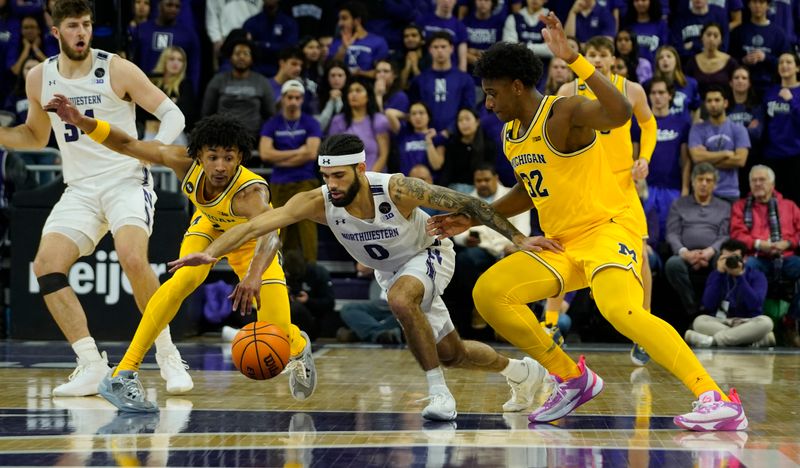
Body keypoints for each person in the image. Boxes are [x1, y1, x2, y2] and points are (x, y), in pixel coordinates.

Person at [429, 14, 746, 431]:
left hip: (608, 229)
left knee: (621, 310)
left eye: (493, 93)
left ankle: (716, 398)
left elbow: (619, 112)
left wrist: (577, 60)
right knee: (489, 292)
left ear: (517, 86)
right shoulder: (511, 134)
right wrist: (473, 213)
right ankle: (571, 378)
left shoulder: (563, 112)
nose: (488, 104)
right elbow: (531, 189)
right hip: (561, 243)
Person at [170, 133, 549, 422]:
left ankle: (439, 395)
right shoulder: (317, 201)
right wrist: (212, 252)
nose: (331, 183)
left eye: (338, 175)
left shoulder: (398, 189)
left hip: (427, 253)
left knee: (402, 300)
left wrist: (517, 237)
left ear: (361, 170)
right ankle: (521, 372)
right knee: (453, 353)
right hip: (390, 272)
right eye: (326, 175)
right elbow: (257, 225)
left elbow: (470, 204)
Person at [44, 100, 316, 412]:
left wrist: (254, 276)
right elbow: (128, 143)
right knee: (180, 281)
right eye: (212, 157)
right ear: (198, 155)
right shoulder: (181, 161)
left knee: (277, 331)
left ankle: (297, 344)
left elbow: (270, 235)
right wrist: (82, 122)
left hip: (253, 245)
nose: (220, 166)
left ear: (240, 157)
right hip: (209, 229)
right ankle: (123, 374)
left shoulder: (250, 193)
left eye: (229, 158)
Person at [0, 0, 190, 397]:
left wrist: (154, 149)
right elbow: (34, 137)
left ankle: (168, 355)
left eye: (86, 24)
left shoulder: (115, 68)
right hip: (80, 189)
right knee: (46, 266)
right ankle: (89, 362)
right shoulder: (40, 76)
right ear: (56, 32)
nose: (81, 32)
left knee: (133, 257)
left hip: (125, 180)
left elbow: (172, 113)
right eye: (73, 26)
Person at [555, 35, 657, 363]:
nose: (597, 60)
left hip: (622, 185)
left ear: (613, 59)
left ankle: (646, 330)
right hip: (584, 187)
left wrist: (646, 158)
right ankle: (550, 324)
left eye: (603, 55)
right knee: (562, 250)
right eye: (592, 54)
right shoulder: (568, 91)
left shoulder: (631, 90)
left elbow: (649, 123)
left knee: (639, 255)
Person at [448, 163, 531, 337]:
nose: (483, 183)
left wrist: (514, 245)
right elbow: (458, 233)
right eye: (479, 181)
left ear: (496, 179)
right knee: (465, 259)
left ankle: (500, 312)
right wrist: (466, 238)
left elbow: (524, 230)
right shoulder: (467, 200)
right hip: (482, 251)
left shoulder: (514, 195)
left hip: (509, 249)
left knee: (517, 260)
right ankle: (482, 303)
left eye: (486, 179)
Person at [730, 165, 800, 336]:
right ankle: (755, 324)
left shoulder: (789, 206)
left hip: (786, 257)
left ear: (772, 184)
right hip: (757, 256)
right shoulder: (740, 206)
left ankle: (790, 321)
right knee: (748, 267)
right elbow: (737, 234)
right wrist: (760, 244)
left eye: (762, 180)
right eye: (754, 180)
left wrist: (789, 243)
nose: (758, 184)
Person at [259, 79, 322, 263]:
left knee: (308, 227)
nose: (293, 101)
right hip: (280, 181)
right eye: (290, 97)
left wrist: (279, 156)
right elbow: (264, 154)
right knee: (279, 227)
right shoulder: (273, 123)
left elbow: (311, 153)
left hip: (305, 180)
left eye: (297, 97)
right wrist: (298, 152)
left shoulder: (310, 122)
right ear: (283, 98)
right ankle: (279, 267)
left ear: (302, 99)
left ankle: (310, 268)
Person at [664, 163, 731, 318]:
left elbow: (724, 235)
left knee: (724, 262)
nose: (704, 184)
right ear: (693, 182)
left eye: (708, 180)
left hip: (713, 253)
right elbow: (672, 234)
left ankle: (712, 307)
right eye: (700, 179)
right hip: (685, 253)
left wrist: (710, 251)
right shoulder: (679, 204)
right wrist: (684, 252)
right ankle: (693, 309)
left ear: (714, 184)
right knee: (672, 264)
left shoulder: (724, 207)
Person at [685, 239, 773, 348]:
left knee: (766, 322)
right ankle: (750, 340)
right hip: (722, 321)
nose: (730, 261)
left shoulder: (757, 276)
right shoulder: (716, 275)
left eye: (734, 257)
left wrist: (740, 277)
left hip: (748, 322)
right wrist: (719, 275)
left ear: (745, 259)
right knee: (699, 321)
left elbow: (755, 304)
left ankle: (713, 341)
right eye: (726, 258)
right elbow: (708, 304)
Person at [645, 77, 691, 240]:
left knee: (671, 234)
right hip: (647, 188)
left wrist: (685, 188)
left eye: (662, 92)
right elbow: (634, 157)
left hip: (672, 187)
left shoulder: (682, 123)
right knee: (648, 236)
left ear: (670, 95)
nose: (657, 96)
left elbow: (686, 160)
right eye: (654, 93)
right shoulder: (641, 123)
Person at [688, 85, 750, 202]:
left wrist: (706, 158)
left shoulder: (738, 129)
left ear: (725, 103)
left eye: (717, 100)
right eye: (709, 101)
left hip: (729, 192)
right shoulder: (697, 129)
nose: (713, 104)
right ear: (705, 105)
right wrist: (726, 153)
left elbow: (740, 160)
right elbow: (696, 157)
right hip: (703, 192)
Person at [408, 31, 476, 134]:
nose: (439, 50)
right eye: (435, 47)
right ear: (430, 50)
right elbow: (414, 108)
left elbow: (468, 109)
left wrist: (450, 131)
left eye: (443, 47)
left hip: (456, 137)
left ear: (451, 49)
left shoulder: (465, 79)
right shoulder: (419, 80)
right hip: (425, 135)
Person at [131, 0, 200, 91]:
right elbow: (134, 62)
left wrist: (191, 92)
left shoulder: (188, 34)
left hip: (175, 91)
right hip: (144, 88)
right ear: (159, 5)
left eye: (177, 6)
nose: (173, 9)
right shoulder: (142, 30)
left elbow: (194, 68)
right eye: (169, 5)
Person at [137, 45, 197, 145]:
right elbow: (140, 111)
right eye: (172, 59)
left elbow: (186, 112)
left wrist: (154, 107)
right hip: (150, 133)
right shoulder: (151, 81)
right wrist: (171, 105)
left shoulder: (185, 84)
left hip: (175, 136)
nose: (176, 63)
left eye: (180, 60)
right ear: (164, 60)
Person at [761, 52, 800, 204]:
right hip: (772, 154)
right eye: (781, 62)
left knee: (795, 200)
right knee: (774, 201)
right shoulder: (770, 92)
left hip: (795, 154)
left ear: (797, 68)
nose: (784, 65)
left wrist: (791, 100)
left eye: (789, 62)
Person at [328, 79, 390, 172]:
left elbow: (383, 155)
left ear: (368, 96)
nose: (353, 94)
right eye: (350, 91)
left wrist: (367, 180)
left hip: (375, 177)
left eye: (358, 90)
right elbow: (333, 154)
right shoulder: (338, 121)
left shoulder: (379, 120)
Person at [730, 0, 789, 95]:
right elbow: (730, 59)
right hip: (744, 87)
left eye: (761, 2)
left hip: (770, 85)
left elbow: (785, 63)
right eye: (754, 2)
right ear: (749, 4)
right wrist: (743, 61)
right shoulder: (739, 31)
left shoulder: (779, 34)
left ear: (768, 6)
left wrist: (766, 57)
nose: (757, 6)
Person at [327, 1, 388, 80]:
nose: (340, 23)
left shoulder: (378, 42)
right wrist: (343, 48)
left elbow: (382, 73)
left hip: (367, 87)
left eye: (344, 18)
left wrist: (360, 73)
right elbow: (330, 69)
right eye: (339, 19)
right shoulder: (337, 42)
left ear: (357, 20)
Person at [242, 0, 299, 77]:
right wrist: (276, 47)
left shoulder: (289, 23)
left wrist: (261, 44)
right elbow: (247, 48)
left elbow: (289, 48)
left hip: (281, 71)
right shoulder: (252, 22)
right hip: (255, 71)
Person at [684, 23, 739, 96]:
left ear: (721, 40)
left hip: (724, 104)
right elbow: (687, 87)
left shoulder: (731, 63)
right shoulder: (692, 62)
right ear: (702, 37)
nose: (711, 39)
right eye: (708, 35)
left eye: (715, 36)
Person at [648, 45, 700, 120]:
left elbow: (696, 108)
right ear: (657, 63)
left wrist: (694, 128)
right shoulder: (649, 84)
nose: (665, 60)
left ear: (676, 60)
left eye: (669, 56)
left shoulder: (690, 84)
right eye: (661, 58)